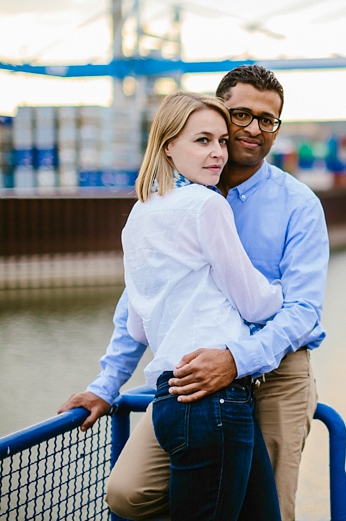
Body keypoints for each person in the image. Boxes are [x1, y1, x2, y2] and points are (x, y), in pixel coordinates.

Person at [58, 65, 329, 521]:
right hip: (193, 378)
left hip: (278, 370)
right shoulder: (181, 200)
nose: (252, 129)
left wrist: (236, 359)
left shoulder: (299, 204)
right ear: (221, 114)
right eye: (240, 115)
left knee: (271, 511)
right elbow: (143, 298)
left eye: (268, 120)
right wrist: (106, 384)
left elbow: (302, 311)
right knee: (128, 493)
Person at [123, 91, 282, 520]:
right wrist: (282, 289)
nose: (217, 154)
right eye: (202, 141)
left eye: (221, 142)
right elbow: (255, 304)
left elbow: (139, 329)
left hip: (172, 400)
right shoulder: (207, 205)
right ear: (168, 145)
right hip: (216, 400)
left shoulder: (138, 215)